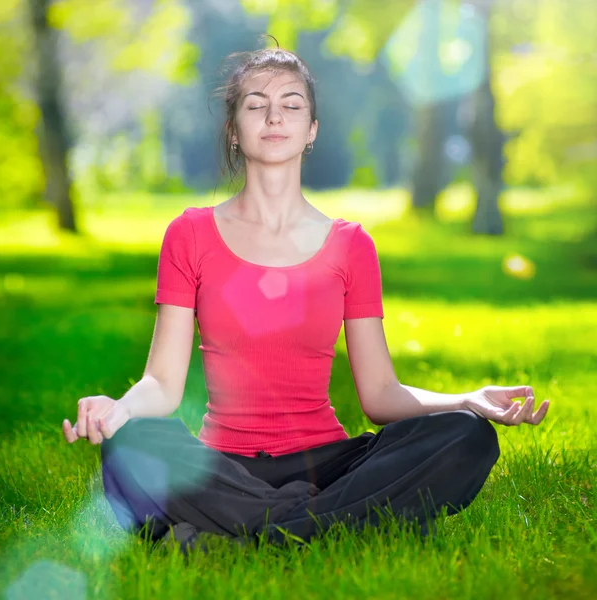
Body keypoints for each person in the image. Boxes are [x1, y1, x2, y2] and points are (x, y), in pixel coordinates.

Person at [62, 38, 550, 555]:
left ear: (311, 130)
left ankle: (234, 532)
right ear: (233, 130)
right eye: (256, 105)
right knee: (131, 443)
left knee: (466, 436)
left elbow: (381, 395)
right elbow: (161, 383)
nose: (274, 117)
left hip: (327, 460)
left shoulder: (351, 245)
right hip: (222, 464)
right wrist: (120, 410)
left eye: (291, 105)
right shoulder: (190, 235)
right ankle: (340, 521)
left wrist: (466, 401)